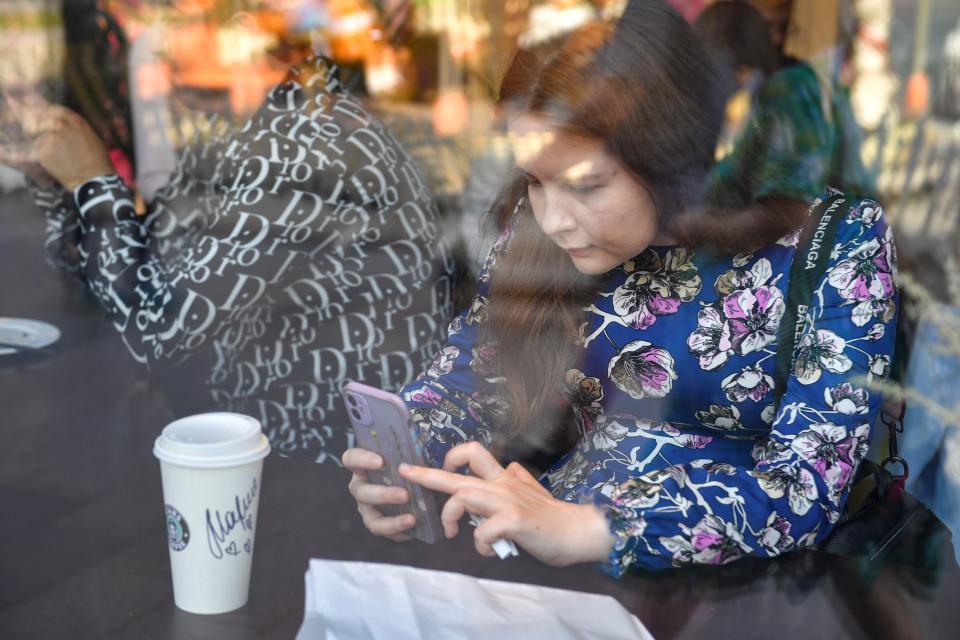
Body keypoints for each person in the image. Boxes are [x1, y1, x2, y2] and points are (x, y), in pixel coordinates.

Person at [344, 0, 899, 574]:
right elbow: (473, 379)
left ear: (673, 157)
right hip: (553, 565)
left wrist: (597, 526)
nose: (553, 218)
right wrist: (406, 462)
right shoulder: (541, 229)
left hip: (744, 591)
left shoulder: (836, 244)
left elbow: (803, 487)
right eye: (534, 180)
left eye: (586, 186)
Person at [7, 54, 455, 464]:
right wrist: (62, 186)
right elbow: (124, 286)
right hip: (247, 453)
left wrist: (92, 182)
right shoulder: (251, 130)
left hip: (316, 474)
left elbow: (161, 328)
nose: (158, 51)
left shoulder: (303, 140)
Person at [696, 0, 875, 212]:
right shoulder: (800, 88)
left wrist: (693, 228)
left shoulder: (792, 90)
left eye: (784, 28)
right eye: (770, 27)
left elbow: (788, 213)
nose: (776, 38)